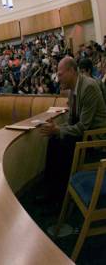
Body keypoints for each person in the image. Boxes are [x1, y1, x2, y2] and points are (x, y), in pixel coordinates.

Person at [41, 56, 106, 201]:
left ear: (71, 71)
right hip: (85, 133)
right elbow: (71, 122)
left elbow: (83, 126)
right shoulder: (73, 91)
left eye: (60, 74)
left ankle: (59, 197)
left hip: (96, 138)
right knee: (54, 140)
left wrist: (59, 130)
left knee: (62, 145)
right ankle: (51, 193)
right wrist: (57, 128)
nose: (58, 79)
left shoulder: (88, 87)